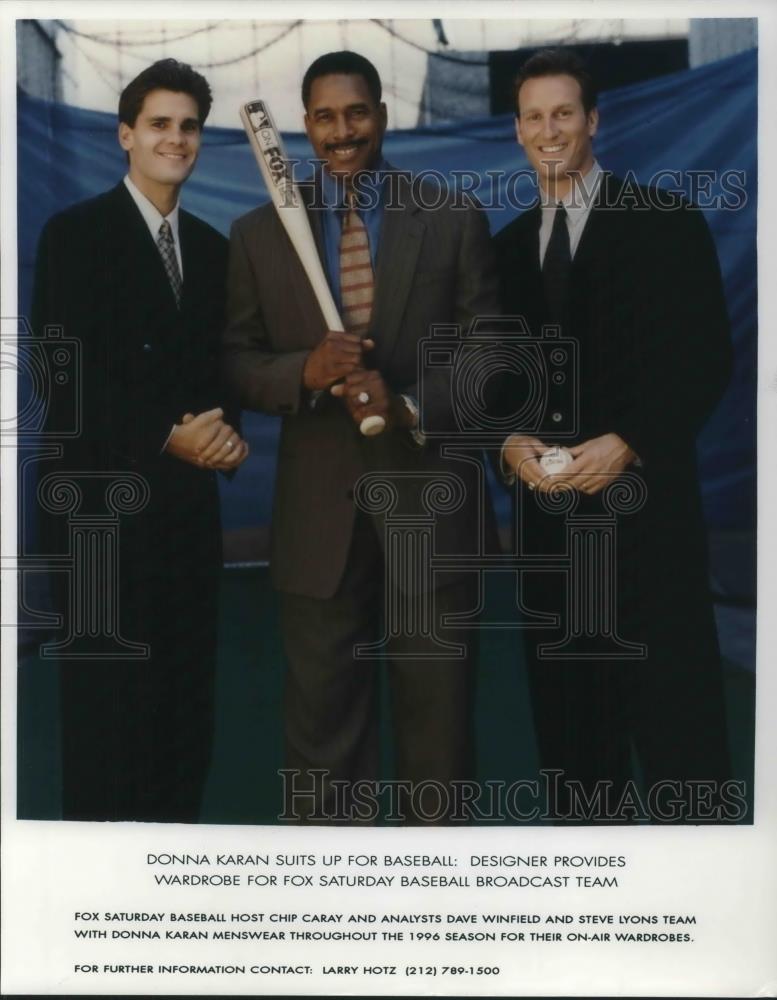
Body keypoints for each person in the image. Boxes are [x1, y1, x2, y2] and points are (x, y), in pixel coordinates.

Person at [224, 50, 499, 823]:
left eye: (355, 113)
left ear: (381, 113)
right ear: (304, 125)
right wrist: (306, 372)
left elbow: (489, 360)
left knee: (437, 733)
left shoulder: (450, 216)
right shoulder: (257, 234)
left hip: (431, 507)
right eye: (323, 116)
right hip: (320, 519)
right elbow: (238, 363)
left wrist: (409, 403)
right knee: (321, 733)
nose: (340, 132)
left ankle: (431, 901)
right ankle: (332, 895)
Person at [495, 49, 734, 821]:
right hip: (550, 534)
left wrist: (627, 439)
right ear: (518, 130)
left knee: (678, 741)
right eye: (533, 116)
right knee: (574, 752)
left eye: (563, 112)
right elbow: (494, 381)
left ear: (592, 121)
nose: (548, 129)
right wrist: (508, 444)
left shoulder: (662, 221)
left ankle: (695, 913)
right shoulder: (502, 251)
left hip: (648, 524)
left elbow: (704, 358)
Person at [32, 59, 248, 822]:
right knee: (105, 735)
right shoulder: (74, 235)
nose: (175, 138)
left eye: (188, 125)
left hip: (184, 525)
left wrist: (223, 438)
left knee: (181, 730)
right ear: (126, 135)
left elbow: (222, 377)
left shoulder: (215, 250)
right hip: (99, 523)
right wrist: (165, 437)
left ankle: (173, 898)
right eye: (159, 123)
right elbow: (64, 381)